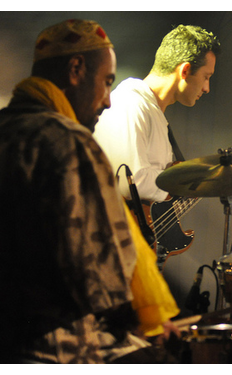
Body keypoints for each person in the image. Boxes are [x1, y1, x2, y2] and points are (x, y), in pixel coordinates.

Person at [0, 19, 180, 364]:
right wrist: (144, 323)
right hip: (57, 346)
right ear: (76, 69)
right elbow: (103, 280)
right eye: (106, 82)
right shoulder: (67, 141)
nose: (108, 101)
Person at [94, 24, 221, 202]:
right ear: (185, 70)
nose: (207, 88)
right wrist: (179, 185)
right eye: (206, 77)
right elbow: (131, 183)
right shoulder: (131, 103)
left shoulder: (154, 113)